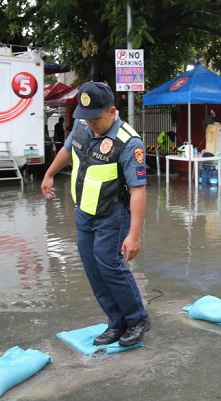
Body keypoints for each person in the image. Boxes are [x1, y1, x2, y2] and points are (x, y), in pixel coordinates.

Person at [41, 82, 150, 347]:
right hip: (84, 213)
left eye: (95, 118)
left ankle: (137, 319)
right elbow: (68, 150)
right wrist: (49, 173)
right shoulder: (82, 126)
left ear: (112, 111)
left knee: (110, 266)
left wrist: (134, 235)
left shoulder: (128, 141)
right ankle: (116, 321)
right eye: (86, 118)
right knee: (93, 270)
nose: (90, 124)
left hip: (112, 214)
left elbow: (138, 190)